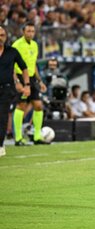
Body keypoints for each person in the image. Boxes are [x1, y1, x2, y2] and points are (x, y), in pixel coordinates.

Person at [12, 22, 48, 145]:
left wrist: (40, 81)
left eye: (32, 31)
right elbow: (10, 65)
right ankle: (18, 138)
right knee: (21, 106)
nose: (31, 33)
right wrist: (16, 81)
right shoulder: (16, 45)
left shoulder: (35, 45)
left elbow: (33, 65)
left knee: (38, 106)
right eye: (28, 31)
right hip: (21, 77)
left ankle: (37, 137)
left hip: (32, 78)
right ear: (23, 32)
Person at [0, 25, 30, 156]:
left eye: (2, 35)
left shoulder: (12, 52)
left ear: (6, 37)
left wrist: (27, 84)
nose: (0, 38)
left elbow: (24, 68)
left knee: (2, 117)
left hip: (6, 89)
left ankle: (0, 145)